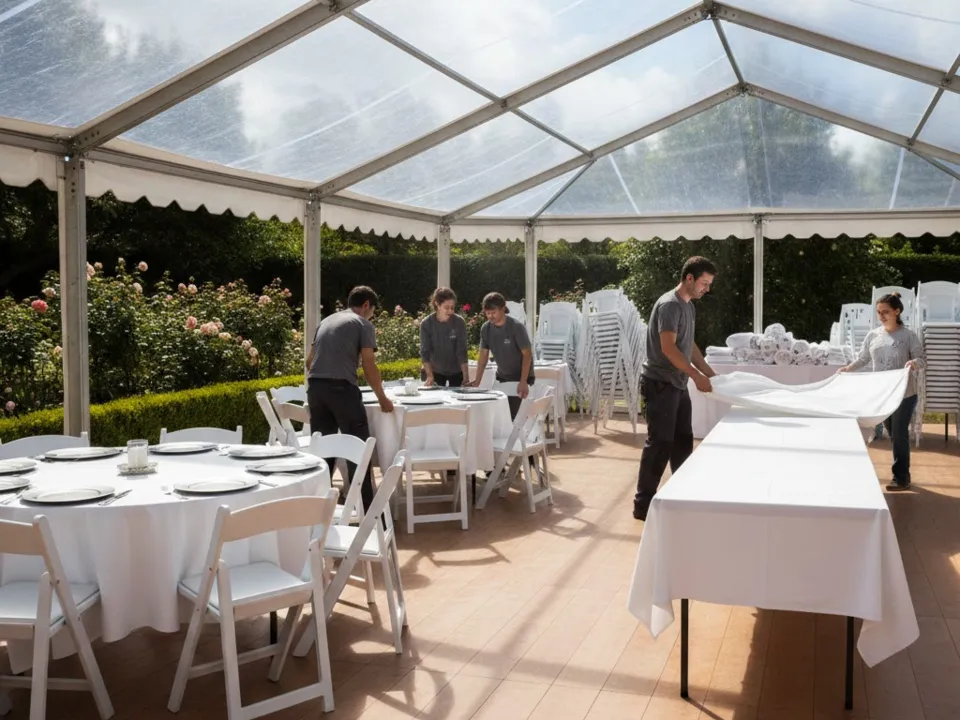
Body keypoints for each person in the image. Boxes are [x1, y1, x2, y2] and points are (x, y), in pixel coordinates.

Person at [634, 256, 717, 521]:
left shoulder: (688, 307)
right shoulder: (670, 305)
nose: (707, 289)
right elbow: (669, 348)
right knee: (660, 444)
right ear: (689, 278)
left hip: (677, 385)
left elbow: (688, 345)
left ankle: (682, 495)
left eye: (709, 284)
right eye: (704, 283)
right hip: (660, 384)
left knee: (682, 441)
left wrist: (709, 373)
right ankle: (643, 505)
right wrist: (695, 376)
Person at [306, 286, 393, 510]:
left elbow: (309, 361)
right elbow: (368, 364)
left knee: (324, 450)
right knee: (358, 450)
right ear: (366, 305)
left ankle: (317, 509)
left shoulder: (327, 321)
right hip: (342, 389)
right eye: (372, 311)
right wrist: (382, 398)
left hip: (315, 388)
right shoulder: (363, 324)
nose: (371, 315)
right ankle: (366, 510)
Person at [838, 292, 924, 491]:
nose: (881, 316)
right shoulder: (873, 335)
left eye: (885, 312)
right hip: (882, 394)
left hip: (904, 393)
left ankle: (901, 478)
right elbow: (863, 359)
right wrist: (847, 369)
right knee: (893, 433)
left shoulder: (908, 336)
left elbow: (921, 359)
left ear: (897, 311)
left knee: (899, 434)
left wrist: (913, 363)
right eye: (879, 312)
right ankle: (903, 473)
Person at [471, 292, 534, 418]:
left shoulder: (516, 327)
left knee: (514, 418)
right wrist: (477, 380)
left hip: (520, 378)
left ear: (503, 309)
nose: (490, 316)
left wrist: (523, 381)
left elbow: (527, 355)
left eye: (493, 312)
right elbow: (483, 355)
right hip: (501, 377)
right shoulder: (486, 328)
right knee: (496, 415)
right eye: (487, 313)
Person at [420, 287, 469, 387]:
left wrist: (466, 378)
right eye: (446, 307)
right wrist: (429, 376)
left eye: (452, 308)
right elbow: (425, 352)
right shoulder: (426, 324)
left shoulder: (459, 322)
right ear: (437, 304)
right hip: (435, 371)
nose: (450, 311)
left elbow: (462, 352)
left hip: (456, 371)